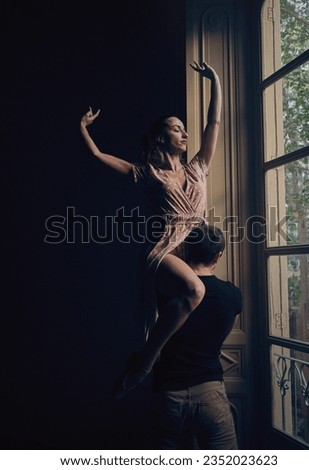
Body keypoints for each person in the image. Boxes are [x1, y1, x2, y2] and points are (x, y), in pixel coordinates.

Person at [79, 61, 222, 394]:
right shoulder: (148, 174)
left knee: (204, 309)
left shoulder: (200, 166)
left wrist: (214, 78)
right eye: (176, 128)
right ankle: (144, 363)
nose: (184, 134)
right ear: (161, 137)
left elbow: (213, 122)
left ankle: (177, 376)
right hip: (166, 248)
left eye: (185, 129)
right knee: (195, 292)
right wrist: (83, 127)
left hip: (197, 246)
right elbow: (99, 156)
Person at [150, 224, 242, 450]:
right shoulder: (231, 294)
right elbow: (221, 332)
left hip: (168, 392)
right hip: (209, 390)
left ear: (186, 250)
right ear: (218, 256)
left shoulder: (167, 289)